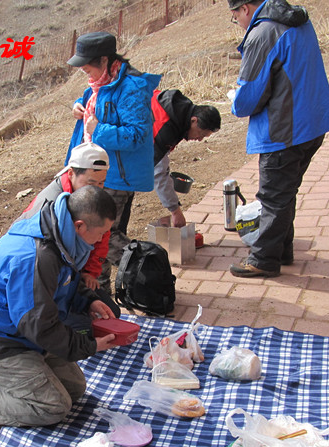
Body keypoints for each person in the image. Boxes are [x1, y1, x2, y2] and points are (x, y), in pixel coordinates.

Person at [0, 185, 118, 431]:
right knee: (53, 407)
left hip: (20, 334)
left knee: (74, 388)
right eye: (101, 233)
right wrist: (89, 346)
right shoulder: (36, 256)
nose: (100, 241)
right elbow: (39, 325)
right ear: (80, 225)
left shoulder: (61, 235)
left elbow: (62, 284)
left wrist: (88, 300)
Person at [226, 0, 329, 278]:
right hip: (312, 122)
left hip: (284, 129)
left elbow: (249, 97)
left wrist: (234, 102)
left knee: (273, 196)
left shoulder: (263, 33)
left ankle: (264, 259)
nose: (238, 24)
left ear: (245, 9)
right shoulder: (297, 20)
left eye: (235, 17)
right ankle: (283, 249)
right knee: (286, 191)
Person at [66, 31, 161, 292]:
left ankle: (149, 272)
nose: (85, 74)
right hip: (98, 172)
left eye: (87, 68)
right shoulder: (101, 84)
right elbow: (95, 101)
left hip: (116, 176)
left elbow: (138, 135)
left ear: (105, 61)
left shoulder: (131, 88)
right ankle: (102, 290)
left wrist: (98, 129)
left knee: (105, 236)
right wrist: (78, 105)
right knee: (100, 235)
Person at [20, 141, 119, 315]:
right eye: (91, 182)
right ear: (71, 173)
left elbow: (101, 236)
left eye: (101, 183)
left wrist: (89, 272)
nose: (96, 189)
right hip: (41, 281)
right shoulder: (48, 208)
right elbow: (40, 265)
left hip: (71, 275)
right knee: (84, 324)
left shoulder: (91, 199)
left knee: (110, 313)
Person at [151, 89, 221, 228]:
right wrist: (175, 211)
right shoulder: (165, 127)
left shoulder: (180, 111)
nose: (199, 139)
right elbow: (158, 172)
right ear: (194, 120)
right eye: (200, 134)